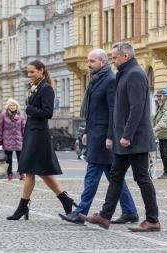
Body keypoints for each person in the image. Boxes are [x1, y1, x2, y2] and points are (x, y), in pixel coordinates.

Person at [80, 42, 160, 232]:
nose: (113, 60)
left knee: (142, 178)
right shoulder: (124, 74)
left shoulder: (135, 74)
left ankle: (153, 220)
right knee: (116, 176)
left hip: (134, 139)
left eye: (115, 57)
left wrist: (127, 135)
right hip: (124, 139)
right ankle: (105, 216)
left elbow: (137, 108)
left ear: (126, 56)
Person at [59, 49, 138, 225]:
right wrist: (86, 131)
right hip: (95, 134)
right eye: (88, 60)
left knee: (92, 175)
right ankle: (130, 211)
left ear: (102, 62)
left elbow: (113, 111)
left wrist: (110, 136)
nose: (88, 64)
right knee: (114, 178)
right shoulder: (95, 80)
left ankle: (80, 213)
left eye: (92, 61)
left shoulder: (109, 80)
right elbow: (92, 110)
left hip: (103, 138)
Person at [6, 60, 76, 221]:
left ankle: (23, 207)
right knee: (39, 171)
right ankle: (66, 200)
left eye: (32, 72)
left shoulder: (46, 88)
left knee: (31, 170)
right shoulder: (34, 87)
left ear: (41, 71)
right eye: (28, 72)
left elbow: (48, 112)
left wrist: (30, 110)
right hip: (32, 131)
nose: (29, 75)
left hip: (39, 133)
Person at [0, 98, 26, 181]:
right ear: (8, 106)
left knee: (21, 159)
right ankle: (9, 174)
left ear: (17, 106)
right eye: (11, 105)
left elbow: (23, 127)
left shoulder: (21, 115)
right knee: (8, 159)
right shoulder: (3, 115)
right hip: (7, 139)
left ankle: (22, 174)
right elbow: (0, 128)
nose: (13, 107)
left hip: (18, 139)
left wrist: (25, 138)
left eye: (14, 105)